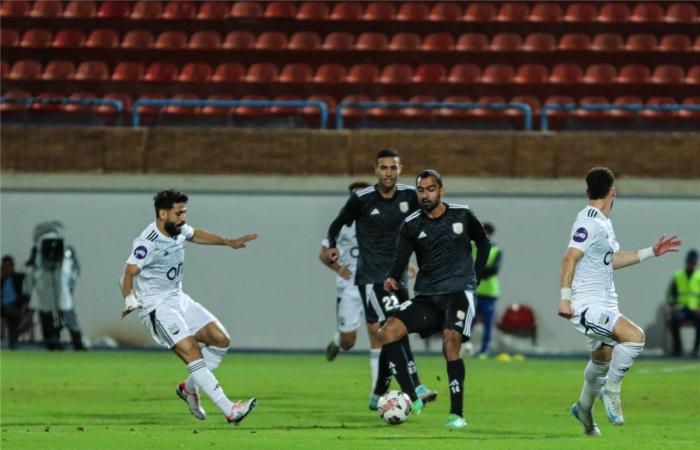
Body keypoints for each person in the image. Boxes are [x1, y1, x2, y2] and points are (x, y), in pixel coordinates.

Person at [558, 167, 682, 436]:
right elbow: (569, 257)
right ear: (613, 191)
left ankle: (584, 410)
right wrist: (565, 299)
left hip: (605, 302)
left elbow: (610, 261)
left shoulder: (602, 223)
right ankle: (612, 391)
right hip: (586, 305)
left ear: (588, 191)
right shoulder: (589, 221)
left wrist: (652, 251)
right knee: (635, 337)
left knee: (601, 360)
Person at [120, 189, 257, 425]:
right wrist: (129, 299)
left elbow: (196, 235)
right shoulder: (147, 242)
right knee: (192, 351)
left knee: (220, 340)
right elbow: (128, 273)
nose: (184, 218)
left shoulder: (179, 230)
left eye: (185, 212)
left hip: (178, 298)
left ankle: (188, 388)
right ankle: (230, 409)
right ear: (163, 213)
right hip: (156, 307)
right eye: (179, 213)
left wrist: (227, 242)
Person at [321, 149, 436, 410]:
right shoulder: (361, 199)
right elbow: (336, 224)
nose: (388, 173)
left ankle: (377, 395)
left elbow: (426, 222)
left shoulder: (409, 196)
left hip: (397, 278)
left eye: (393, 168)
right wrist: (331, 246)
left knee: (388, 334)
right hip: (372, 278)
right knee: (397, 328)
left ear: (400, 169)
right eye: (384, 168)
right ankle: (414, 385)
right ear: (376, 170)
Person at [379, 169, 490, 430]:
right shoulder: (411, 224)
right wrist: (392, 278)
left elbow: (484, 244)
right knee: (388, 332)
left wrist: (477, 278)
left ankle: (456, 414)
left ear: (442, 190)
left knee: (451, 342)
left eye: (431, 189)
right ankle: (413, 396)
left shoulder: (462, 213)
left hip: (459, 293)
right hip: (428, 296)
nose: (426, 195)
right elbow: (400, 259)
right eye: (421, 190)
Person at [321, 181, 370, 360]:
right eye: (353, 195)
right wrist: (339, 268)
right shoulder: (342, 224)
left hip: (374, 281)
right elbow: (323, 254)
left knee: (382, 332)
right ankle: (339, 339)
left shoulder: (379, 221)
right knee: (348, 343)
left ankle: (377, 386)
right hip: (349, 286)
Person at [25, 221, 85, 350]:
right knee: (47, 318)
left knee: (69, 317)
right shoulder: (37, 258)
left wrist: (70, 285)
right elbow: (31, 274)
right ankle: (52, 341)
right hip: (44, 292)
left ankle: (76, 341)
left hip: (61, 293)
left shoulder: (66, 257)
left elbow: (74, 271)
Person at [471, 222, 502, 358]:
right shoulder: (472, 247)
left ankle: (484, 350)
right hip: (473, 291)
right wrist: (483, 269)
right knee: (468, 322)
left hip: (490, 292)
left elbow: (493, 271)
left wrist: (477, 270)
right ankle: (464, 347)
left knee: (487, 324)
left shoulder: (496, 250)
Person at [667, 249, 700, 356]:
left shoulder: (699, 276)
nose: (691, 265)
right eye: (690, 263)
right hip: (681, 309)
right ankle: (678, 348)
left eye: (693, 263)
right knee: (674, 321)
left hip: (695, 309)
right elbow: (670, 294)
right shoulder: (678, 276)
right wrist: (673, 305)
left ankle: (695, 349)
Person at [1, 256, 31, 349]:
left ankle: (13, 341)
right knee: (9, 311)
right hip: (3, 307)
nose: (7, 269)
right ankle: (18, 330)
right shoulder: (1, 280)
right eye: (4, 267)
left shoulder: (20, 278)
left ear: (13, 266)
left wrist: (25, 304)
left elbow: (27, 292)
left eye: (9, 266)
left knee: (13, 319)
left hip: (16, 306)